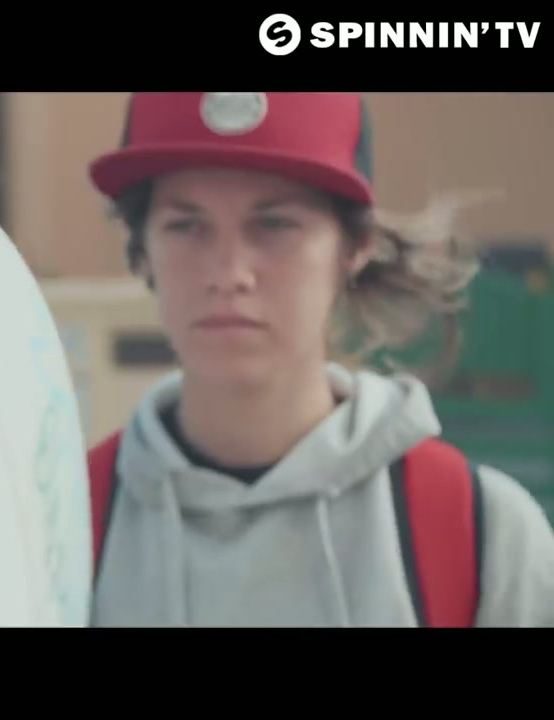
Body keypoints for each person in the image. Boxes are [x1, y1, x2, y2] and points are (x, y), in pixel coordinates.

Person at [83, 92, 554, 627]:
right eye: (186, 226)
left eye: (274, 224)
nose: (229, 273)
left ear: (354, 247)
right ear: (142, 249)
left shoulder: (479, 536)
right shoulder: (62, 526)